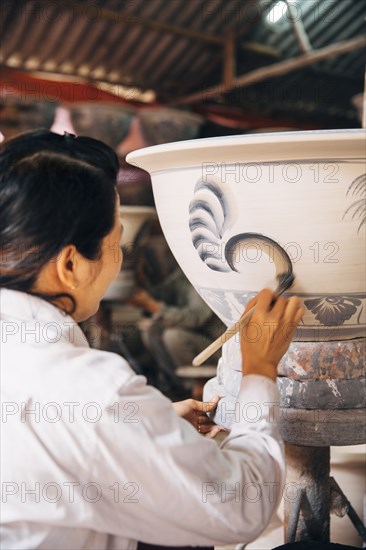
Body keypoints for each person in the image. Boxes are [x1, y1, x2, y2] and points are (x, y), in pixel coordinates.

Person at [0, 130, 304, 549]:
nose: (119, 258)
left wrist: (145, 429)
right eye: (115, 242)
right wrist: (259, 372)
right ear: (71, 264)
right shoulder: (90, 391)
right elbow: (241, 510)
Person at [128, 229, 226, 397]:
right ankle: (175, 383)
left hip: (214, 346)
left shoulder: (207, 275)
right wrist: (139, 280)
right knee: (152, 331)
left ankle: (193, 386)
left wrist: (152, 306)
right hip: (194, 338)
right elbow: (163, 293)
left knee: (173, 336)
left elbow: (193, 318)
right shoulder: (184, 272)